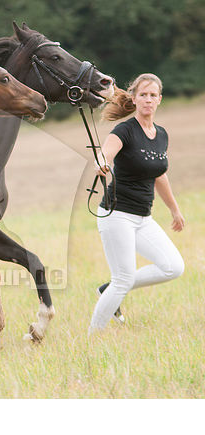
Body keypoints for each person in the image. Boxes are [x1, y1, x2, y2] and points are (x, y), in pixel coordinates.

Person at [89, 73, 185, 332]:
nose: (148, 100)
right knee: (123, 277)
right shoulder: (125, 130)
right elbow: (105, 154)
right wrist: (103, 164)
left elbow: (159, 174)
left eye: (153, 95)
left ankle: (106, 290)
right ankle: (92, 339)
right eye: (143, 94)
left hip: (143, 217)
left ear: (159, 100)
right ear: (134, 98)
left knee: (173, 267)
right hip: (116, 214)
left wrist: (175, 210)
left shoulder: (161, 135)